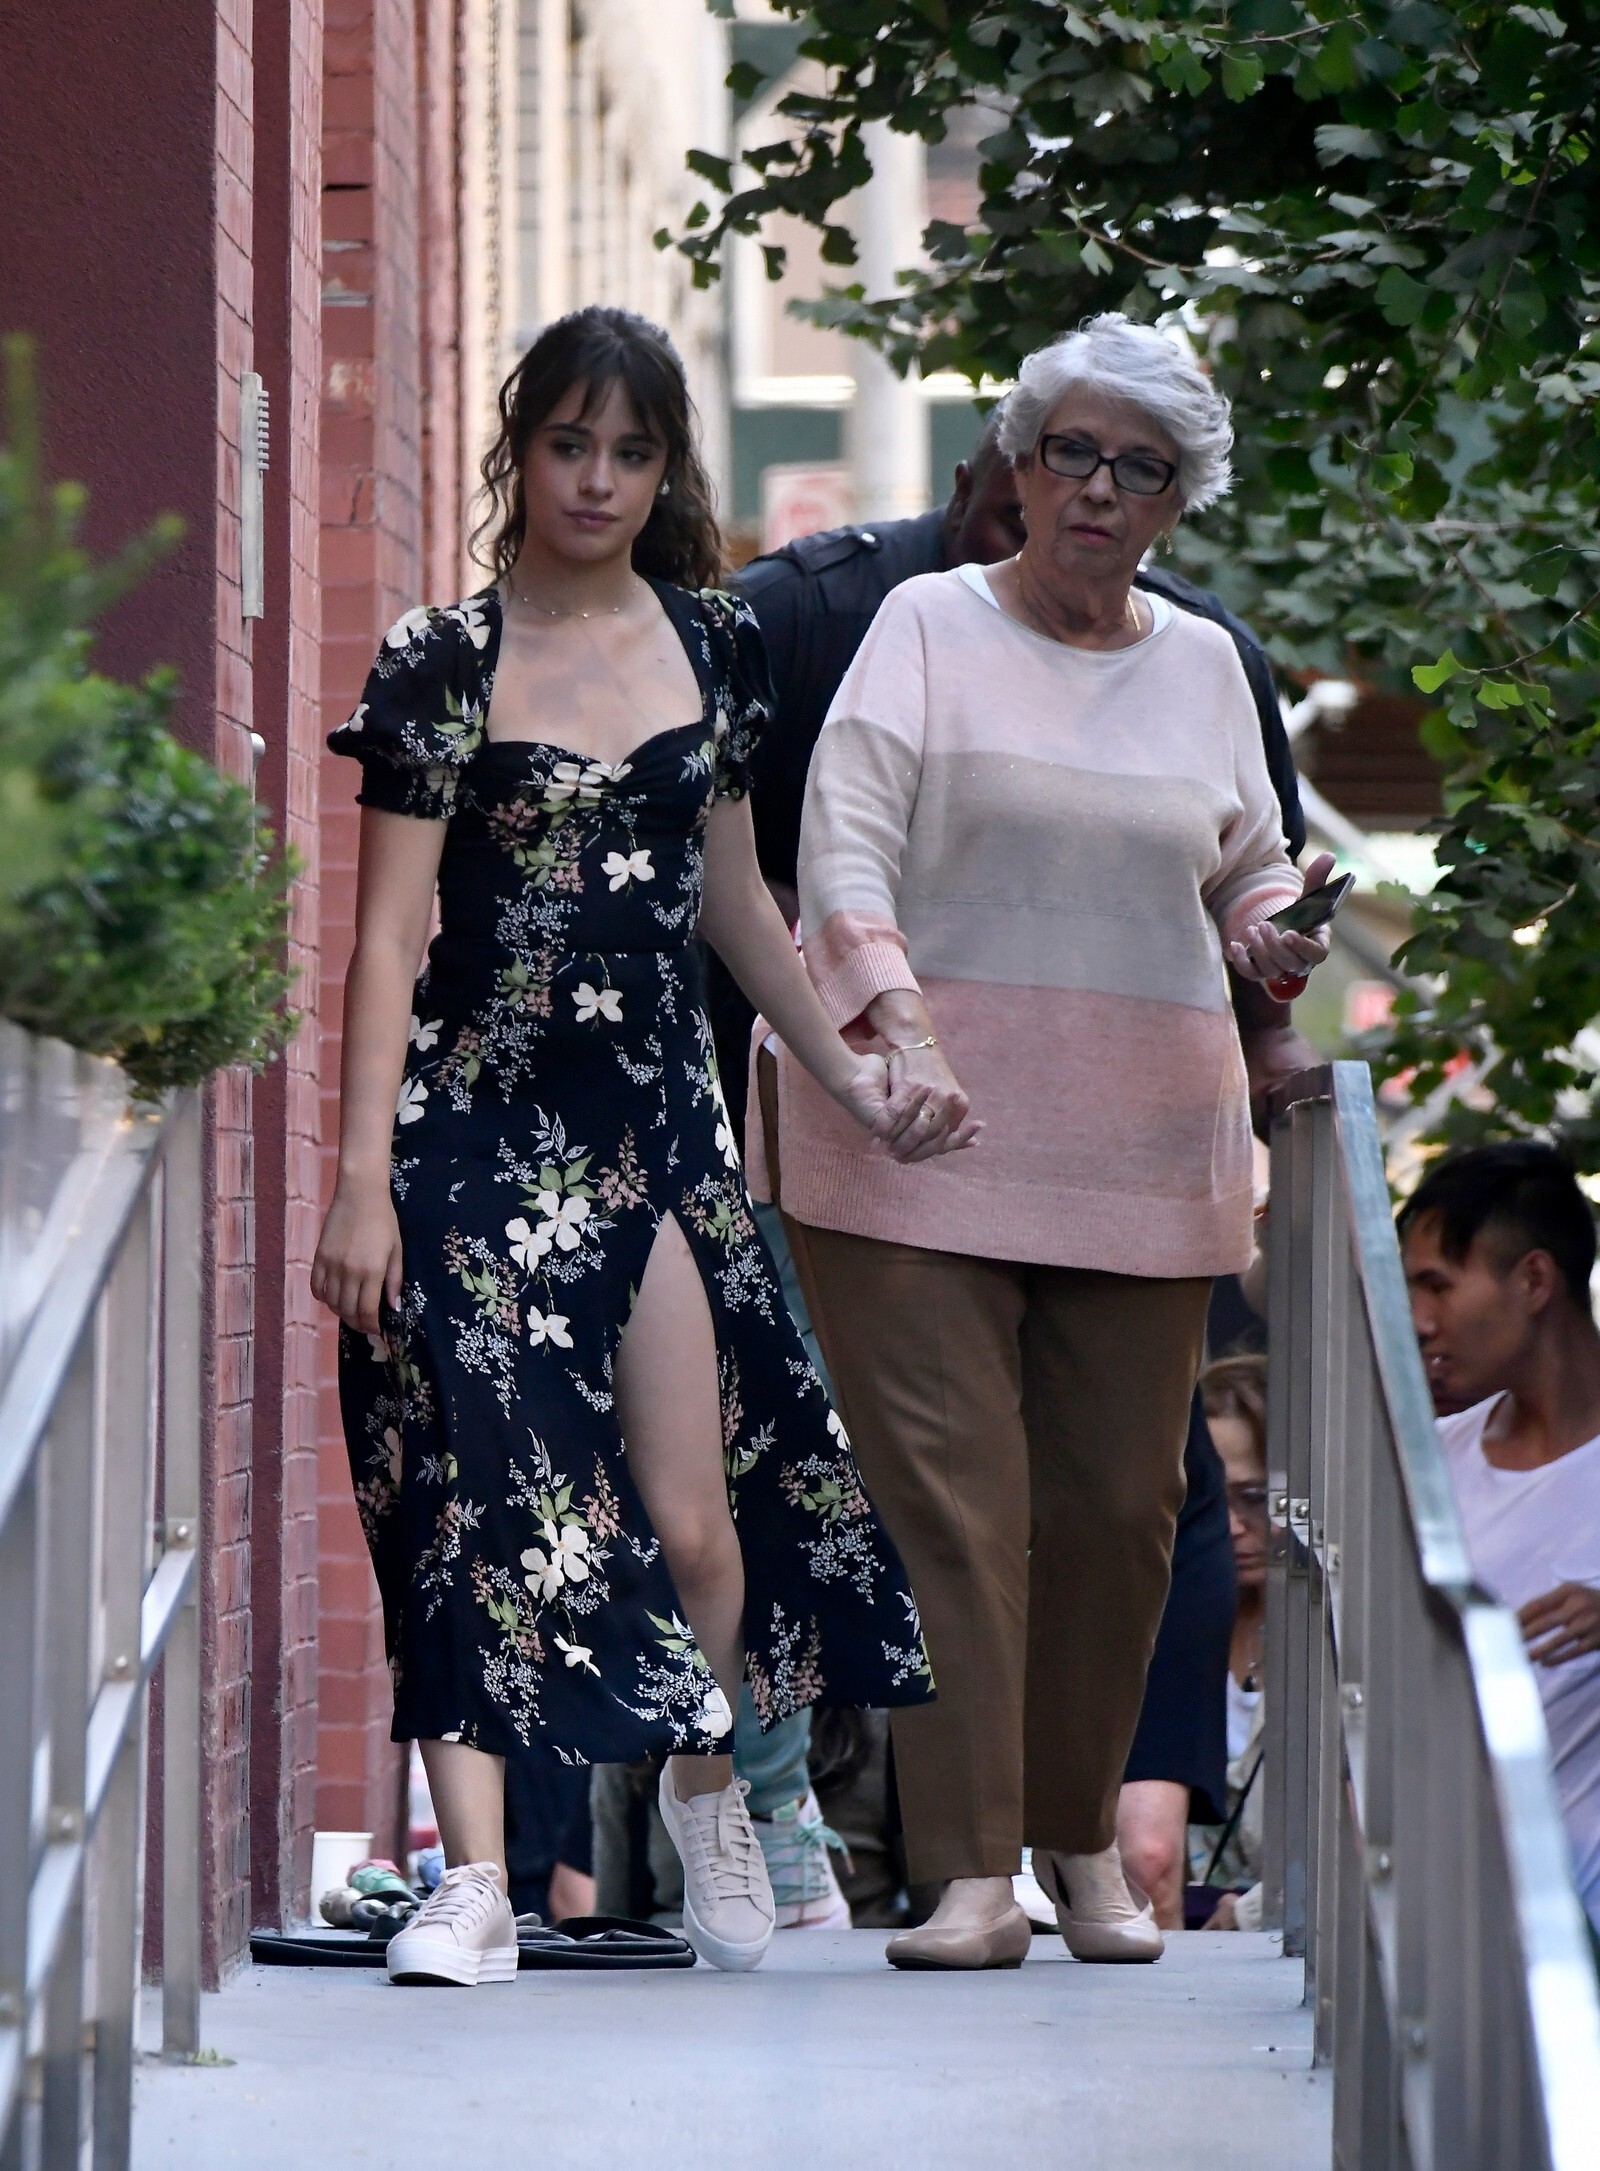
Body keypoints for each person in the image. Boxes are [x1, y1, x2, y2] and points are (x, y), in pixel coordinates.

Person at [310, 305, 946, 1988]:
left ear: (667, 470)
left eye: (631, 451)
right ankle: (474, 1883)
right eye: (569, 443)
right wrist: (360, 1177)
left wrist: (852, 1076)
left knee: (696, 1516)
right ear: (520, 449)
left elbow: (738, 901)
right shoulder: (441, 657)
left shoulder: (717, 644)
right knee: (470, 1500)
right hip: (472, 1123)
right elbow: (383, 942)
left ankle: (703, 1785)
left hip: (655, 1126)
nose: (596, 477)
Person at [755, 311, 1334, 1971]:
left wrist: (1275, 929)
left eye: (1136, 468)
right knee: (954, 1503)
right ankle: (967, 1875)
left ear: (1177, 500)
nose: (1094, 488)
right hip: (913, 1137)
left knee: (1121, 1514)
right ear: (1018, 461)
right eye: (1070, 451)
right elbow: (840, 846)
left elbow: (1247, 861)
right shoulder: (926, 625)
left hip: (1141, 1147)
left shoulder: (1205, 664)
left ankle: (1079, 1842)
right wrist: (896, 1026)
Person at [1400, 1143, 1600, 1933]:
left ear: (1535, 1280)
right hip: (1458, 1932)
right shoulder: (1430, 1462)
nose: (1419, 1319)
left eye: (1438, 1285)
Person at [1191, 1357, 1271, 1932]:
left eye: (1256, 1497)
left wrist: (1252, 1911)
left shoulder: (1345, 1634)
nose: (1233, 1525)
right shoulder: (1163, 1631)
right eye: (1207, 1502)